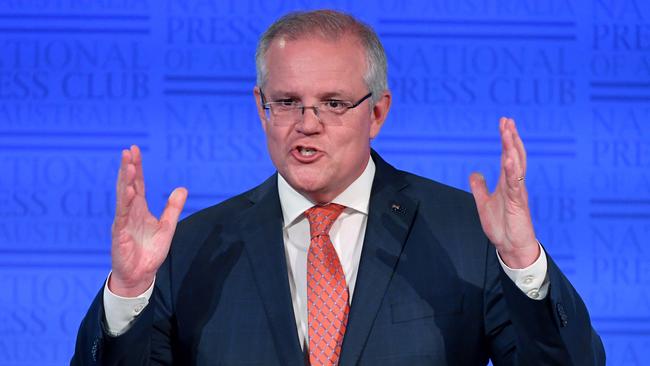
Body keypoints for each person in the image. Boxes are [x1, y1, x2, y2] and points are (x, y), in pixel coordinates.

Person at [72, 9, 605, 366]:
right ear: (261, 108)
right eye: (286, 102)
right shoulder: (191, 248)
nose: (308, 123)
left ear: (377, 112)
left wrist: (522, 262)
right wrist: (128, 293)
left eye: (333, 103)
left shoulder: (465, 233)